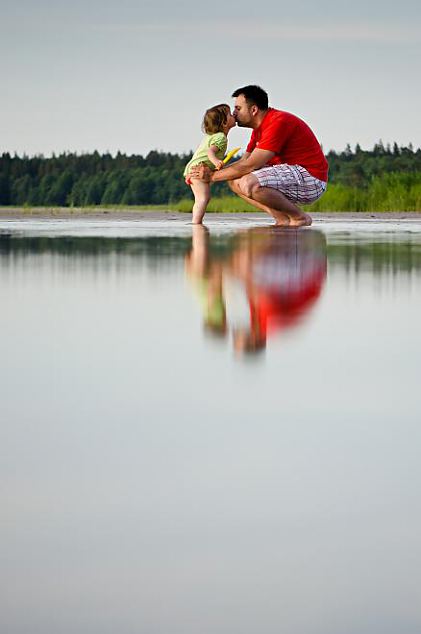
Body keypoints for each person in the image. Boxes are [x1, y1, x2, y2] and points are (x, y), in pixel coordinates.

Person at [188, 85, 328, 227]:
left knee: (249, 183)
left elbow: (250, 165)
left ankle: (299, 218)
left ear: (253, 110)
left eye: (238, 109)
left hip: (311, 179)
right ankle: (282, 218)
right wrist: (213, 172)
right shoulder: (258, 130)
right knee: (233, 179)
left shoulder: (277, 122)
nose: (234, 114)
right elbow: (244, 161)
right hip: (294, 175)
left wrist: (211, 177)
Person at [184, 103, 236, 224]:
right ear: (224, 123)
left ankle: (196, 222)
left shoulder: (211, 137)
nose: (233, 114)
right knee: (203, 198)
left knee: (201, 198)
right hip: (198, 169)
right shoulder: (221, 137)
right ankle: (196, 223)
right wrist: (216, 161)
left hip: (193, 168)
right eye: (229, 114)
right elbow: (209, 152)